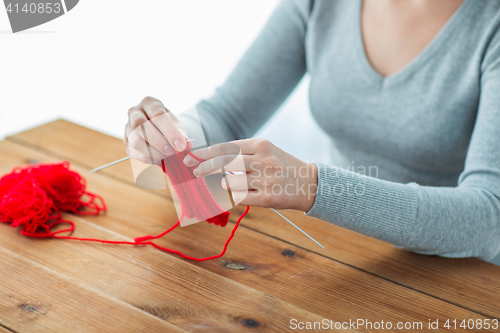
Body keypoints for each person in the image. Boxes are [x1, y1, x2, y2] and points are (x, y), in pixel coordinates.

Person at [124, 0, 500, 261]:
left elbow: (487, 217)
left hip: (463, 277)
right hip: (347, 250)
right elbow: (229, 113)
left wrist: (314, 186)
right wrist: (170, 133)